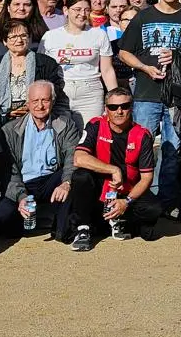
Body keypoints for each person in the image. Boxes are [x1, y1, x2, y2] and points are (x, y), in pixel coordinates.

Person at [116, 0, 181, 215]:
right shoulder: (144, 17)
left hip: (178, 96)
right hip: (146, 94)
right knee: (139, 149)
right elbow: (123, 51)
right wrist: (145, 67)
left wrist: (178, 55)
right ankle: (138, 198)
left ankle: (166, 202)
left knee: (172, 151)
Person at [66, 88, 165, 251]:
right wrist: (113, 169)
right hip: (99, 190)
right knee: (80, 176)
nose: (119, 111)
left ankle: (116, 220)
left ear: (131, 107)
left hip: (127, 190)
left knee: (153, 212)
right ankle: (84, 228)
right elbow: (78, 158)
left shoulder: (143, 135)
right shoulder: (95, 125)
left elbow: (147, 178)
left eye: (124, 106)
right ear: (106, 109)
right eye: (113, 107)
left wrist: (126, 202)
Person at [0, 79, 79, 239]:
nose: (40, 106)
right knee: (0, 222)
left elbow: (72, 158)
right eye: (35, 101)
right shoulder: (10, 130)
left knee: (75, 178)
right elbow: (9, 171)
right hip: (23, 182)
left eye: (45, 100)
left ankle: (61, 227)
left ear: (53, 101)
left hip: (50, 181)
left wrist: (66, 183)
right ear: (28, 102)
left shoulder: (66, 125)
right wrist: (21, 197)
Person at [41, 0, 117, 127]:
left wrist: (115, 99)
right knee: (60, 135)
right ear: (66, 10)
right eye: (77, 9)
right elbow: (42, 68)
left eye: (86, 10)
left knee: (89, 136)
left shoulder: (99, 35)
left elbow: (107, 70)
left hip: (90, 93)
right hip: (60, 91)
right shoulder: (50, 36)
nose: (82, 14)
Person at [0, 19, 65, 122]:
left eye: (23, 35)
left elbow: (55, 88)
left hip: (37, 117)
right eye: (13, 37)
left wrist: (33, 105)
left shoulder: (46, 63)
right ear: (5, 41)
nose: (19, 40)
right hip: (2, 119)